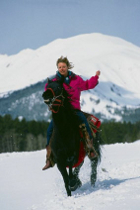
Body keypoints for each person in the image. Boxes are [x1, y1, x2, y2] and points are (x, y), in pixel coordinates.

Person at [42, 56, 101, 170]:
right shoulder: (54, 81)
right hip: (61, 112)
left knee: (85, 123)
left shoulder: (76, 79)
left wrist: (96, 77)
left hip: (74, 110)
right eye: (59, 67)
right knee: (50, 130)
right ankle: (50, 158)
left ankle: (90, 148)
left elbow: (88, 85)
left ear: (67, 67)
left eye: (63, 66)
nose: (62, 69)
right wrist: (48, 91)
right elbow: (48, 89)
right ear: (57, 68)